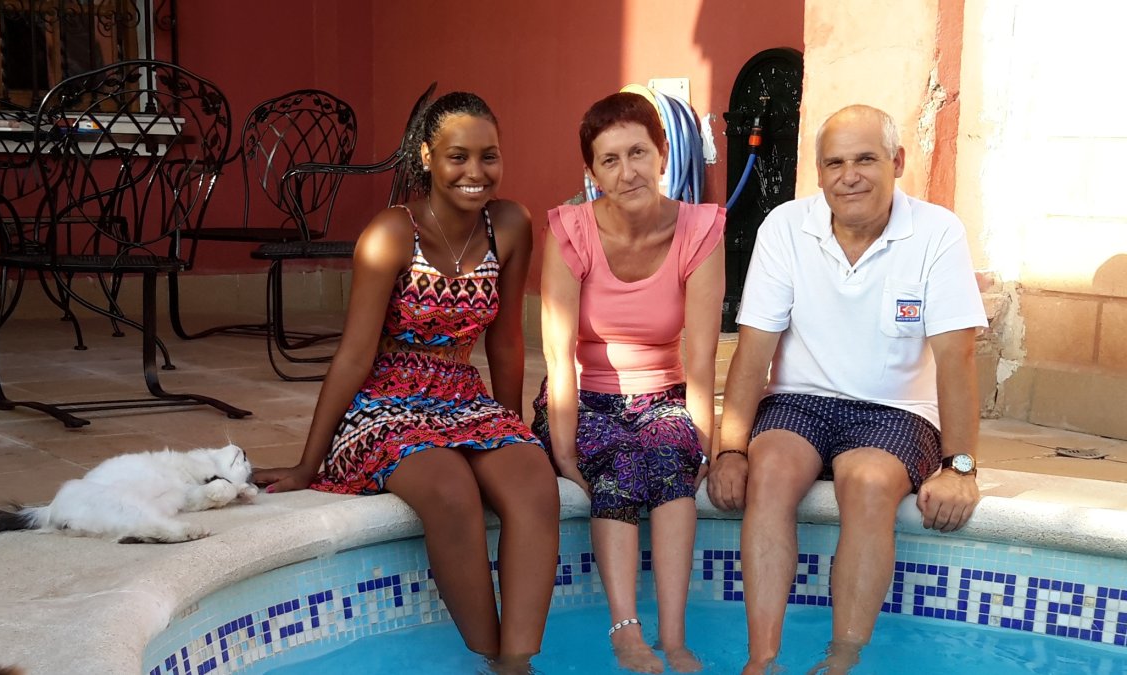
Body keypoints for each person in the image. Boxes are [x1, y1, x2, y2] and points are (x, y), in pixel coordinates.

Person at [253, 92, 560, 671]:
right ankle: (489, 654)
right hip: (385, 402)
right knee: (450, 494)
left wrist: (510, 429)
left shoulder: (511, 224)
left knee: (534, 486)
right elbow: (352, 356)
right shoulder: (391, 233)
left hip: (463, 397)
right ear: (427, 155)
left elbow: (507, 341)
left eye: (488, 157)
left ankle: (518, 663)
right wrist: (307, 463)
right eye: (458, 157)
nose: (475, 173)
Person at [707, 104, 986, 673]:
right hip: (798, 402)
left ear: (897, 162)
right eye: (834, 163)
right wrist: (730, 448)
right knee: (771, 474)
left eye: (865, 159)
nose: (849, 175)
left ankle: (841, 659)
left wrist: (959, 466)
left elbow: (956, 356)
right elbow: (753, 349)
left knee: (866, 485)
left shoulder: (936, 232)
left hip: (896, 411)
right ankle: (762, 660)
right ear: (818, 171)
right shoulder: (786, 226)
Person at [533, 91, 725, 674]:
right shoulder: (570, 231)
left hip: (662, 393)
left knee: (670, 454)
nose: (627, 171)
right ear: (591, 173)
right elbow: (559, 353)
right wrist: (563, 449)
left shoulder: (701, 229)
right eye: (609, 160)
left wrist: (706, 441)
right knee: (617, 463)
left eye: (638, 152)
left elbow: (702, 357)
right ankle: (626, 630)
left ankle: (674, 638)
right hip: (582, 395)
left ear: (663, 154)